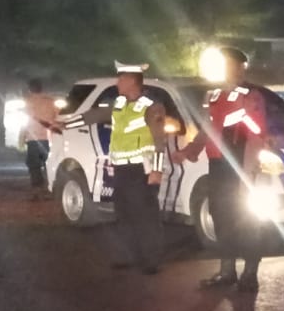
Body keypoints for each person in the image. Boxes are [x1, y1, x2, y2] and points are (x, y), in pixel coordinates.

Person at [63, 62, 168, 274]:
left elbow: (159, 140)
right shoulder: (119, 104)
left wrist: (156, 170)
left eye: (121, 79)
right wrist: (66, 124)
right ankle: (128, 256)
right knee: (124, 214)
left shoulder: (151, 107)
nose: (117, 82)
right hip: (121, 170)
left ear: (132, 81)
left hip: (141, 170)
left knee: (145, 216)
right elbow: (94, 115)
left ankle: (151, 260)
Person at [182, 46, 268, 293]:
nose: (230, 70)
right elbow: (208, 129)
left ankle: (250, 274)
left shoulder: (250, 96)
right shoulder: (214, 96)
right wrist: (191, 150)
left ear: (242, 68)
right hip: (218, 165)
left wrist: (248, 174)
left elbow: (257, 133)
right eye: (226, 65)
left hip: (241, 166)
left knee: (247, 220)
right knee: (221, 217)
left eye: (234, 65)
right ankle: (227, 271)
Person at [21, 78, 60, 200]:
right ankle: (50, 189)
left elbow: (24, 122)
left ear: (30, 89)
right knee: (49, 165)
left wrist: (22, 138)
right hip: (49, 139)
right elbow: (58, 118)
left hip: (33, 138)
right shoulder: (51, 101)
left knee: (34, 166)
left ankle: (37, 191)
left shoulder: (27, 102)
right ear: (41, 88)